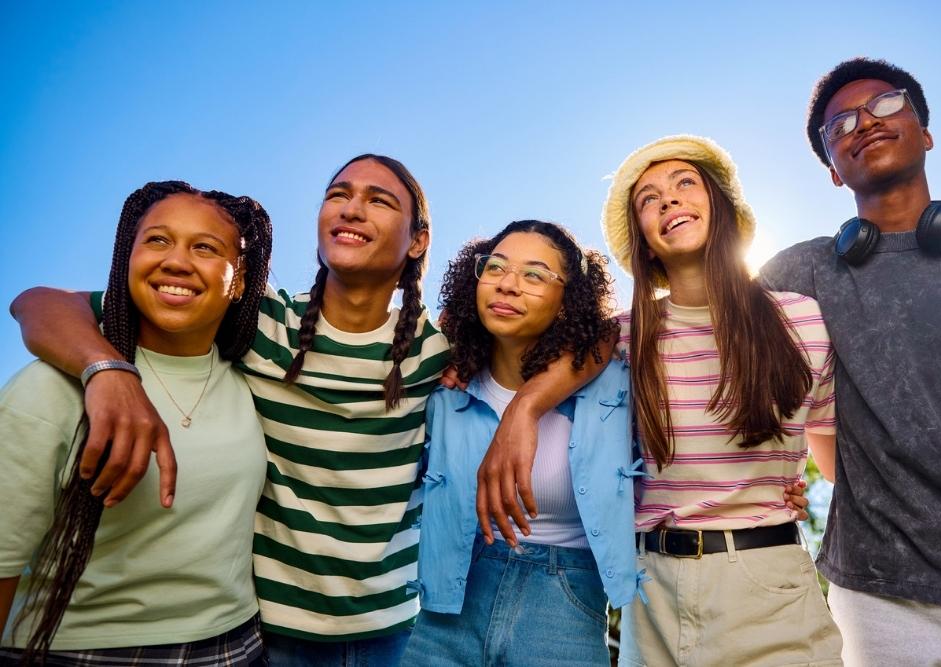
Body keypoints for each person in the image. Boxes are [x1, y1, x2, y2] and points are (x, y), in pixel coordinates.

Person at [10, 155, 599, 666]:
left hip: (392, 632)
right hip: (266, 633)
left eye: (378, 200)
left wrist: (525, 407)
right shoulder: (254, 319)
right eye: (337, 195)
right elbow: (41, 302)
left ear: (418, 239)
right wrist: (106, 369)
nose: (351, 208)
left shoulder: (435, 350)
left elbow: (605, 338)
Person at [759, 57, 941, 666]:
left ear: (926, 132)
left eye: (886, 105)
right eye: (839, 125)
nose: (864, 122)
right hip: (884, 596)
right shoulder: (801, 272)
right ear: (834, 172)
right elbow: (691, 332)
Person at [0, 181, 273, 664]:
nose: (176, 261)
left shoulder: (251, 375)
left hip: (237, 646)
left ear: (240, 280)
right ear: (128, 257)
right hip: (81, 651)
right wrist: (108, 372)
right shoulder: (52, 387)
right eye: (157, 240)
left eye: (205, 248)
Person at [599, 135, 843, 666]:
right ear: (643, 239)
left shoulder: (799, 319)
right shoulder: (620, 338)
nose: (668, 200)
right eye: (649, 199)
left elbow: (833, 451)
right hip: (652, 595)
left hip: (767, 583)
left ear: (721, 206)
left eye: (685, 183)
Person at [400, 221, 639, 665]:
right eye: (495, 268)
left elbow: (619, 329)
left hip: (563, 605)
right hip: (449, 606)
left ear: (570, 299)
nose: (507, 285)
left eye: (534, 274)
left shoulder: (615, 383)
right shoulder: (445, 382)